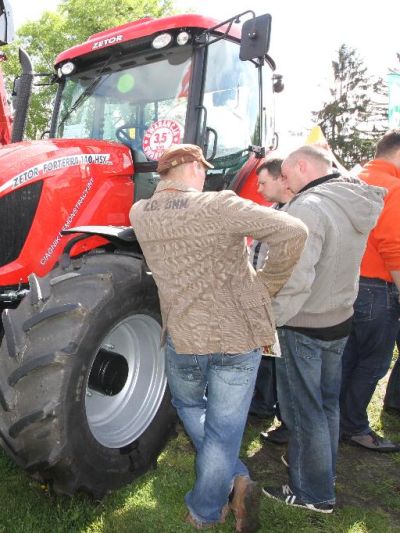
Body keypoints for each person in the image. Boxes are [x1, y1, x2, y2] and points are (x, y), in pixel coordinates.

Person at [130, 144, 308, 531]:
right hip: (237, 333)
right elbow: (294, 231)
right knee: (224, 431)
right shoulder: (219, 205)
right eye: (202, 169)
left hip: (185, 333)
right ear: (192, 167)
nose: (204, 175)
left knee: (191, 407)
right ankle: (209, 506)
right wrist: (266, 286)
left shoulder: (139, 212)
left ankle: (228, 488)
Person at [263, 145, 384, 513]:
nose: (284, 182)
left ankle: (312, 493)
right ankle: (321, 474)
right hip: (338, 318)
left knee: (304, 410)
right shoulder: (350, 198)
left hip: (304, 323)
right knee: (326, 405)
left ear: (302, 167)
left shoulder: (309, 207)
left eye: (285, 174)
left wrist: (273, 317)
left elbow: (297, 277)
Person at [338, 130, 400, 452]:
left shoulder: (350, 178)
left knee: (346, 358)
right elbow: (394, 246)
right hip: (377, 289)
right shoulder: (393, 186)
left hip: (343, 284)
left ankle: (336, 422)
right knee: (373, 363)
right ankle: (354, 425)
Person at [248, 158, 295, 445]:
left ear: (282, 179)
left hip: (279, 300)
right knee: (267, 355)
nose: (259, 188)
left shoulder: (294, 216)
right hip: (263, 297)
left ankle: (288, 420)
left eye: (264, 182)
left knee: (284, 362)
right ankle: (262, 405)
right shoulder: (274, 211)